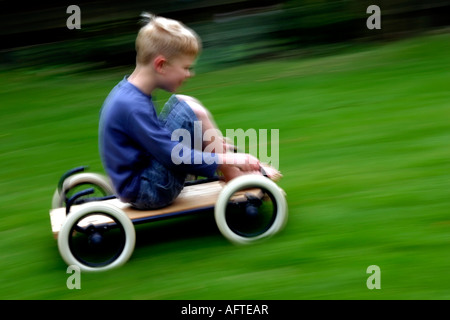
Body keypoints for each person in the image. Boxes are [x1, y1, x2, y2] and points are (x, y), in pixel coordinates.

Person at [99, 13, 280, 210]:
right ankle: (233, 174)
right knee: (191, 109)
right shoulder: (132, 106)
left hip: (142, 180)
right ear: (161, 65)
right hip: (149, 190)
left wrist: (205, 142)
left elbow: (155, 140)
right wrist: (226, 158)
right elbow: (172, 155)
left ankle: (230, 169)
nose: (189, 74)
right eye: (186, 67)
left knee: (184, 103)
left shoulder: (130, 93)